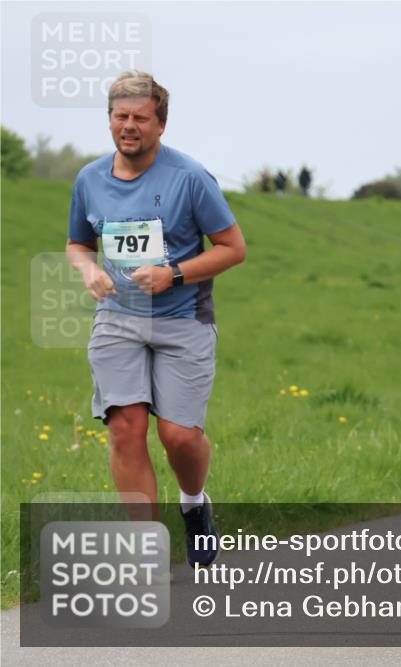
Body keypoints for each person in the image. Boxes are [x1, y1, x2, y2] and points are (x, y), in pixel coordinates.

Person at [65, 71, 247, 566]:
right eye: (120, 116)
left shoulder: (190, 177)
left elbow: (233, 249)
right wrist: (88, 269)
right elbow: (78, 243)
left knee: (179, 436)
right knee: (126, 428)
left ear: (160, 125)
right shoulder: (89, 179)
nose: (129, 126)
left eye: (141, 118)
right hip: (117, 318)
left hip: (183, 317)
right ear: (109, 120)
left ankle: (194, 503)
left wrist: (174, 274)